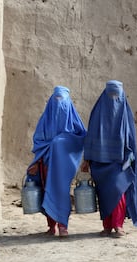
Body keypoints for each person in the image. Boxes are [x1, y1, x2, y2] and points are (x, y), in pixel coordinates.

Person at [81, 80, 137, 237]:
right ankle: (107, 226)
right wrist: (87, 159)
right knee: (104, 194)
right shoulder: (97, 113)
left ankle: (118, 225)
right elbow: (91, 137)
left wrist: (130, 158)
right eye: (111, 94)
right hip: (99, 162)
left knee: (118, 190)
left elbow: (130, 139)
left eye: (117, 95)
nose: (114, 99)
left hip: (120, 161)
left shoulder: (125, 113)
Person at [27, 86, 86, 237]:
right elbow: (39, 141)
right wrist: (36, 161)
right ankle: (51, 226)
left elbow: (81, 139)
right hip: (45, 164)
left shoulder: (74, 122)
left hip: (64, 167)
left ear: (68, 103)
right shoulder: (45, 121)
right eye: (56, 100)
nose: (59, 104)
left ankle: (63, 226)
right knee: (48, 191)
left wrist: (60, 142)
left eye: (62, 100)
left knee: (61, 193)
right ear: (51, 102)